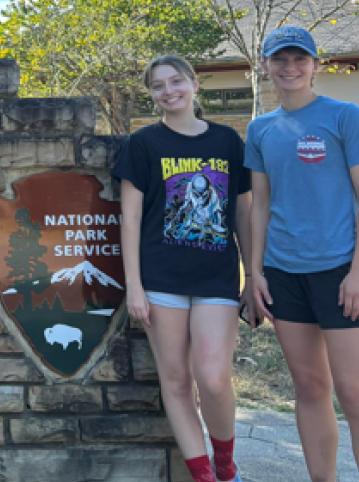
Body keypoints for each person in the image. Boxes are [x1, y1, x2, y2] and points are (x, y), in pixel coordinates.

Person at [245, 26, 359, 482]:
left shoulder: (345, 116)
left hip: (340, 272)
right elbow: (260, 206)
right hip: (284, 274)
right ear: (267, 66)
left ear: (315, 64)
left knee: (355, 395)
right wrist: (254, 275)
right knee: (310, 388)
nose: (289, 68)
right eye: (280, 60)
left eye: (299, 59)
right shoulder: (260, 129)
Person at [114, 55, 250, 482]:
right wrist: (134, 286)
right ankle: (204, 476)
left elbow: (243, 215)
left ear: (194, 84)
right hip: (160, 280)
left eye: (176, 81)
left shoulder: (228, 142)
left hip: (217, 279)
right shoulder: (143, 143)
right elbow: (130, 218)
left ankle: (225, 463)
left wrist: (254, 275)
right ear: (151, 94)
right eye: (158, 85)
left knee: (212, 378)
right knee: (175, 382)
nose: (168, 91)